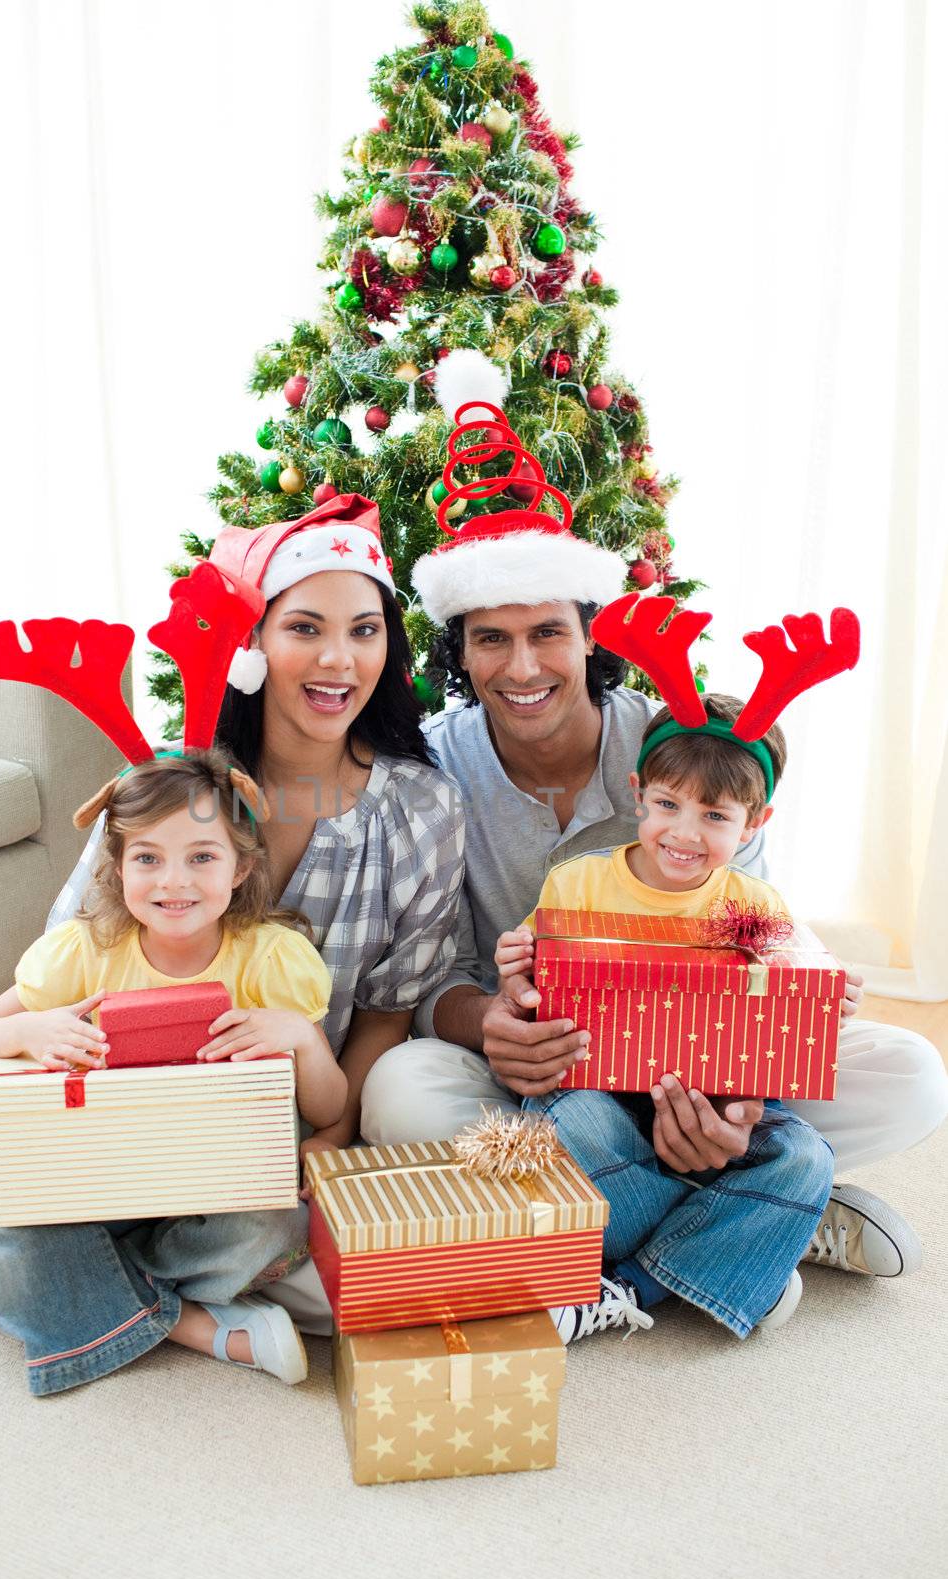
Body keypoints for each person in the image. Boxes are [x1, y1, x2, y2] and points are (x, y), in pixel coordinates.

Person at [361, 350, 946, 1293]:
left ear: (591, 634)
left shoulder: (688, 752)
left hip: (699, 1058)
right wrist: (482, 1022)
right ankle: (762, 1210)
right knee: (400, 1095)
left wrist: (742, 1095)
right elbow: (427, 976)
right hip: (549, 1079)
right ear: (457, 652)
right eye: (490, 639)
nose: (522, 667)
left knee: (913, 1074)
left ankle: (694, 1178)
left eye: (547, 630)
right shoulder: (428, 769)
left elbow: (752, 926)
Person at [0, 494, 465, 1335]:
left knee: (353, 1286)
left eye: (364, 630)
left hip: (264, 1132)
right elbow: (57, 979)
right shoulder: (167, 786)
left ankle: (99, 1288)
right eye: (303, 627)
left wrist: (331, 1138)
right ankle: (177, 1308)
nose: (338, 658)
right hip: (101, 1115)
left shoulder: (425, 809)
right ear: (254, 644)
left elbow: (383, 1014)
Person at [0, 748, 343, 1395]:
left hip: (213, 1193)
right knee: (0, 1211)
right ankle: (187, 1322)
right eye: (147, 858)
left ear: (241, 865)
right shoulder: (84, 952)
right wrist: (29, 1029)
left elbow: (328, 1110)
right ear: (116, 865)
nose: (173, 882)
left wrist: (301, 1036)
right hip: (98, 1187)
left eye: (201, 856)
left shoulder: (273, 958)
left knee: (280, 1223)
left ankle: (95, 1296)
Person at [495, 660, 838, 1340]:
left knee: (806, 1159)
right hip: (597, 1099)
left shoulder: (748, 905)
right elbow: (534, 989)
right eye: (667, 805)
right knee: (564, 1136)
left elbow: (780, 1004)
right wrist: (515, 973)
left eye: (714, 815)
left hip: (709, 1099)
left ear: (753, 823)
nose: (684, 833)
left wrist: (822, 988)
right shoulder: (579, 884)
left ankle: (628, 1285)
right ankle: (736, 1241)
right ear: (637, 794)